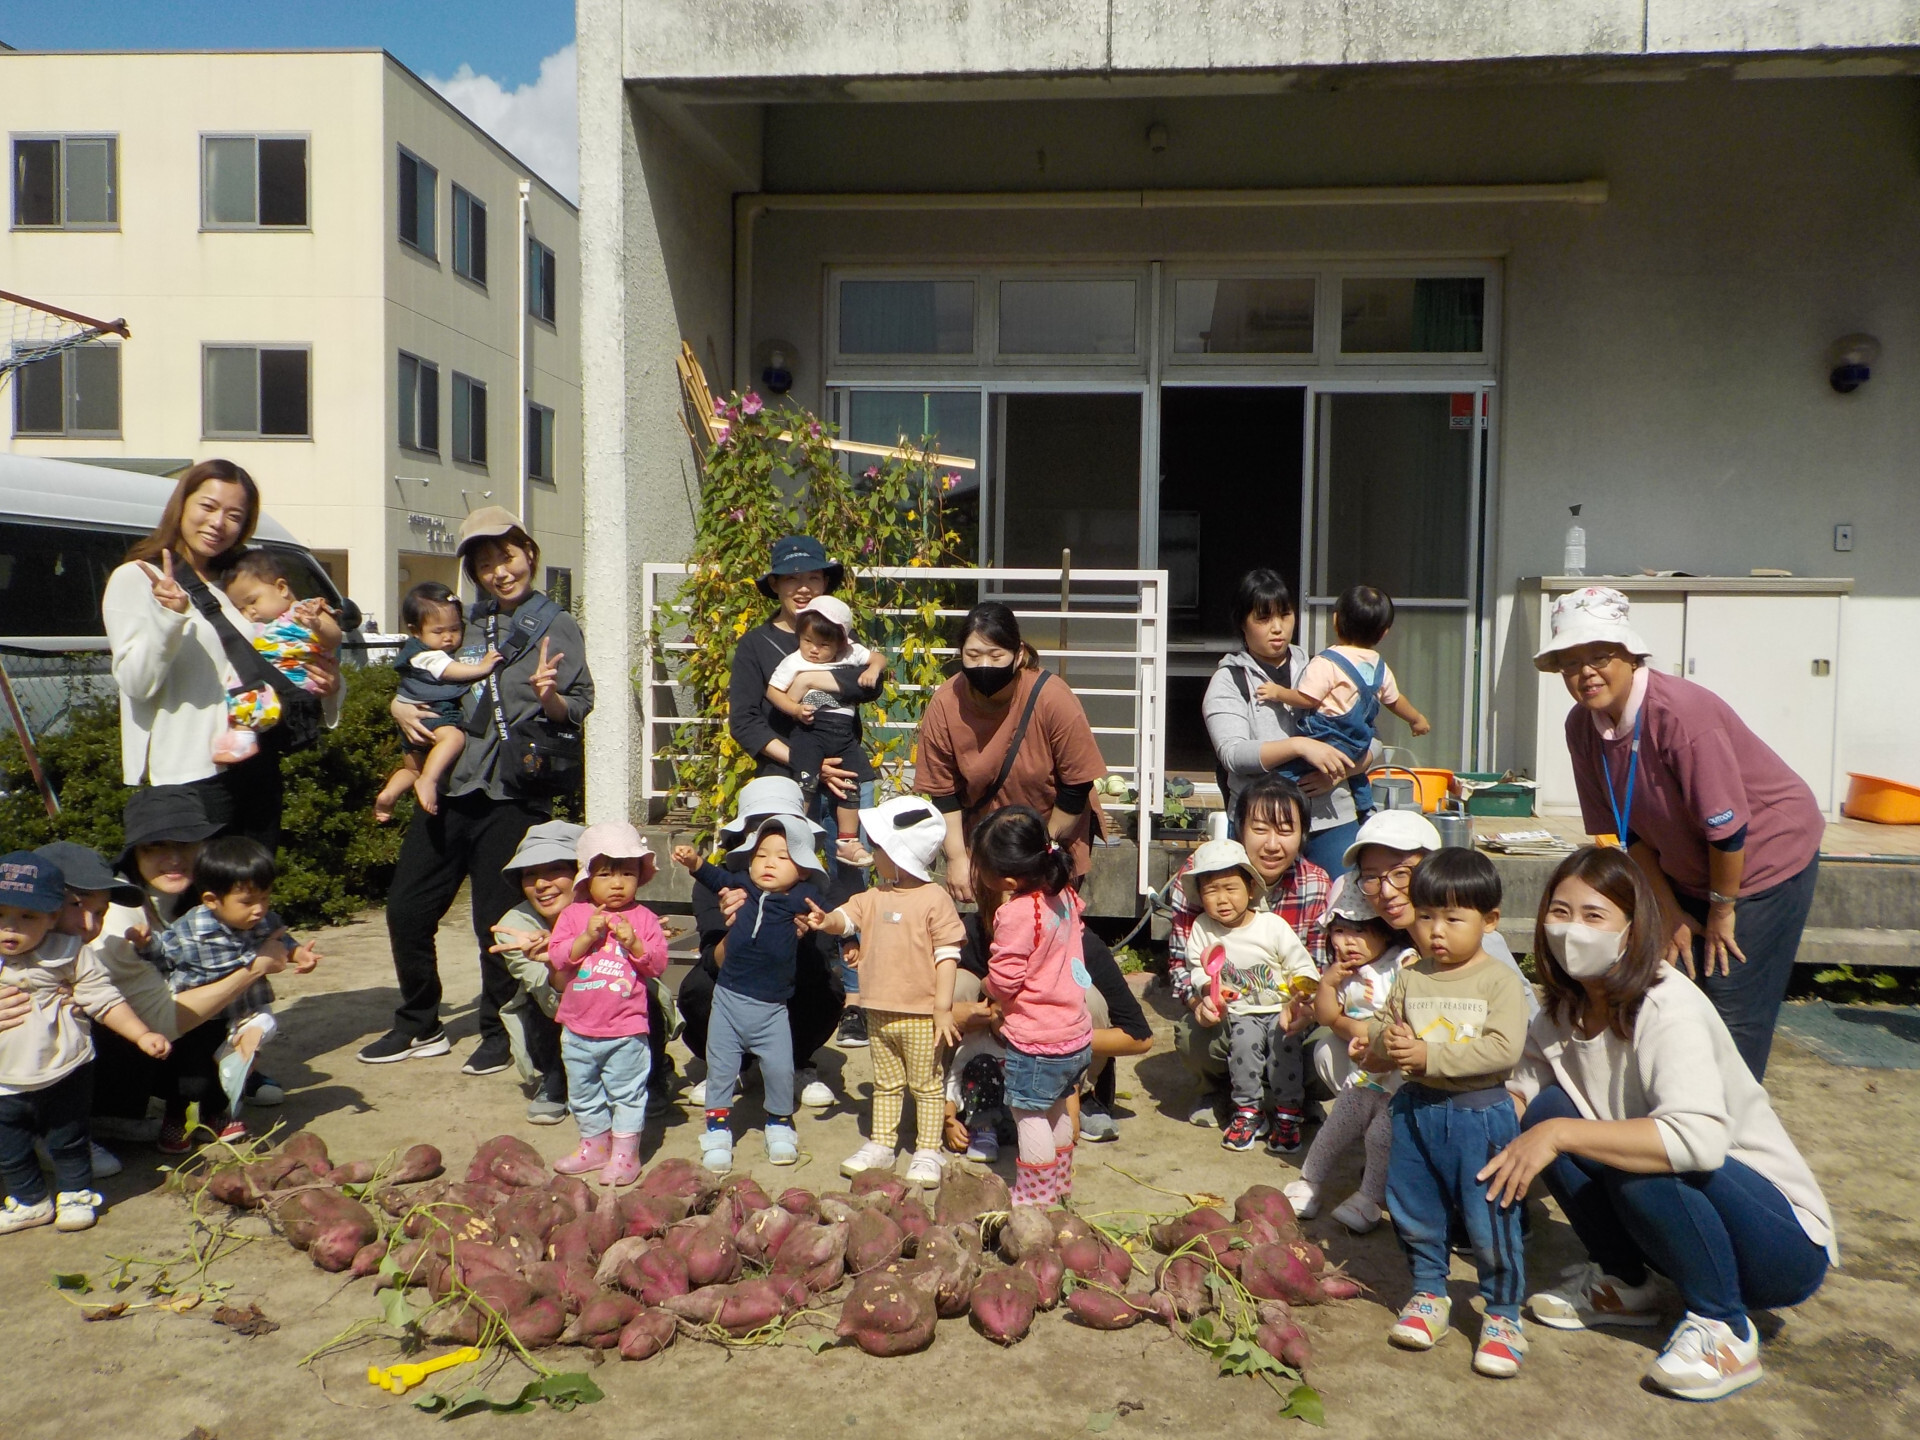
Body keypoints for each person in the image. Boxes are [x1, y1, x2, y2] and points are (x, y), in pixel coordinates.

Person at [1481, 846, 1836, 1403]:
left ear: (1631, 928)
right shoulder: (1558, 1014)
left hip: (1779, 1246)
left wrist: (1558, 1135)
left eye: (1594, 916)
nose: (1573, 930)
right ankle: (1626, 1284)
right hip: (1689, 1210)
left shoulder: (1668, 1007)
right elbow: (1520, 1102)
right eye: (1560, 912)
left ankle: (1725, 1328)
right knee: (1552, 1112)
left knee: (1631, 1153)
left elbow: (1694, 1140)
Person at [1538, 586, 1824, 1081]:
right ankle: (1671, 1119)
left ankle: (1731, 1142)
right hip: (1681, 869)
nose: (1585, 672)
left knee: (1730, 1006)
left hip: (1760, 863)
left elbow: (1728, 832)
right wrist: (1667, 908)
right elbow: (1621, 834)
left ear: (1631, 655)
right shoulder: (1581, 726)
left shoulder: (1680, 713)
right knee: (1670, 991)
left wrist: (1721, 910)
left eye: (1600, 656)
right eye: (1569, 662)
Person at [359, 507, 593, 1078]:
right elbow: (422, 677)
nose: (499, 572)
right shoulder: (462, 620)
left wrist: (550, 697)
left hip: (512, 793)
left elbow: (580, 705)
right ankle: (420, 1022)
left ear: (529, 554)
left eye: (507, 557)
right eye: (485, 564)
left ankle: (496, 1027)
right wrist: (398, 703)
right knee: (407, 908)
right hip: (450, 784)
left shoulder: (555, 623)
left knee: (495, 919)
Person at [102, 459, 342, 850]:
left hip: (255, 763)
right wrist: (169, 617)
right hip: (189, 773)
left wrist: (329, 687)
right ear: (182, 505)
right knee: (199, 900)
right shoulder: (138, 578)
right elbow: (135, 683)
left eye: (234, 515)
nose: (218, 523)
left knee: (249, 900)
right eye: (208, 507)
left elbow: (280, 653)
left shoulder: (238, 585)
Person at [1362, 848, 1530, 1380]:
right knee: (1414, 1206)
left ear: (1490, 921)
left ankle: (1502, 1315)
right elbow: (1379, 1031)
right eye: (1427, 915)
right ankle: (1429, 1293)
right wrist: (1386, 1041)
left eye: (1454, 919)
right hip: (1416, 1113)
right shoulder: (1413, 976)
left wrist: (1431, 1055)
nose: (1437, 930)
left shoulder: (1498, 981)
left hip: (1481, 1117)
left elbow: (1504, 1049)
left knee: (1490, 1218)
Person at [23, 841, 285, 1176]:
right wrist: (257, 966)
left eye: (100, 912)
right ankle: (45, 1135)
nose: (91, 925)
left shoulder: (95, 946)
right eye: (75, 905)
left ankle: (87, 1125)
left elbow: (131, 1008)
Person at [727, 535, 881, 1047]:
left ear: (826, 585)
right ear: (774, 585)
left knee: (850, 883)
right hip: (785, 784)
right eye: (790, 578)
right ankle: (788, 992)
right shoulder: (755, 646)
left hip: (849, 774)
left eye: (812, 578)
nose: (801, 587)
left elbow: (870, 683)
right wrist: (810, 762)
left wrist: (814, 677)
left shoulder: (835, 632)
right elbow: (747, 724)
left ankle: (855, 999)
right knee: (784, 886)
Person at [0, 853, 172, 1236]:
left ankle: (75, 1194)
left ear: (49, 917)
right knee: (9, 1150)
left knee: (69, 1138)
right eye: (1, 915)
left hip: (64, 1068)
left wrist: (142, 1033)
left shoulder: (69, 954)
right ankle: (29, 1201)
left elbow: (104, 999)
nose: (10, 928)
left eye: (28, 917)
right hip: (4, 1080)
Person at [802, 796, 965, 1187]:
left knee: (926, 1085)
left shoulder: (935, 900)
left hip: (922, 1014)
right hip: (879, 1011)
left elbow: (948, 956)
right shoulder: (874, 897)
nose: (872, 852)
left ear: (898, 853)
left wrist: (942, 1007)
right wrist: (827, 921)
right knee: (888, 1083)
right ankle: (881, 1143)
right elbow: (847, 918)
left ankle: (928, 1148)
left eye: (878, 846)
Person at [916, 602, 1108, 903]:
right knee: (996, 933)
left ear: (1018, 654)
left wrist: (1042, 850)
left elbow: (1077, 785)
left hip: (1053, 833)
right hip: (988, 842)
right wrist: (956, 858)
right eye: (973, 655)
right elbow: (943, 792)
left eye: (996, 655)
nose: (985, 665)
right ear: (960, 654)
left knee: (1045, 930)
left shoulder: (1052, 697)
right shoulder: (945, 703)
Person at [1171, 773, 1333, 1127]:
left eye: (1285, 830)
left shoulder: (1316, 884)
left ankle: (1290, 1098)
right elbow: (1180, 964)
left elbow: (1318, 965)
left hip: (1286, 1014)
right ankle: (1223, 1093)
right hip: (1233, 1013)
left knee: (1332, 1043)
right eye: (1260, 829)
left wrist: (1306, 1007)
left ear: (1303, 834)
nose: (1272, 844)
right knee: (1191, 1037)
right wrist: (1200, 1002)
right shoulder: (1199, 878)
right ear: (1239, 829)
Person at [676, 778, 843, 1111]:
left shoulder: (812, 890)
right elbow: (711, 959)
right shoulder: (721, 883)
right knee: (695, 988)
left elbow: (823, 957)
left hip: (784, 987)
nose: (770, 844)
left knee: (828, 988)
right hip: (732, 982)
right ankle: (727, 1067)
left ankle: (795, 1063)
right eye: (759, 829)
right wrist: (734, 927)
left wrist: (802, 934)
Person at [672, 816, 828, 1172]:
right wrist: (696, 862)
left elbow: (829, 912)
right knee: (721, 1068)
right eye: (762, 855)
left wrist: (842, 932)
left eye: (783, 857)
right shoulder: (743, 887)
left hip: (773, 1009)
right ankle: (716, 1130)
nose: (769, 862)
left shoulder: (801, 900)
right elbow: (716, 878)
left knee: (779, 1069)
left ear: (803, 870)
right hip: (727, 1001)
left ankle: (778, 1122)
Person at [149, 837, 321, 1135]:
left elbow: (283, 941)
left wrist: (299, 954)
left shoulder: (265, 921)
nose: (259, 910)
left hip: (239, 1011)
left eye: (265, 898)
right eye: (247, 902)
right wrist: (142, 945)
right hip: (197, 1016)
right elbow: (161, 959)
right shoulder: (188, 932)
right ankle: (175, 1117)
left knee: (228, 1067)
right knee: (191, 1075)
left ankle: (219, 1114)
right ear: (211, 900)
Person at [1203, 569, 1366, 873]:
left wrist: (1338, 773)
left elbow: (1372, 743)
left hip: (1330, 820)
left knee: (1341, 913)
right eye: (1263, 619)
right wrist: (1299, 746)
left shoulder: (1326, 670)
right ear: (1242, 623)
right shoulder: (1229, 681)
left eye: (1285, 615)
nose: (1277, 628)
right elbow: (1233, 754)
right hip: (1261, 830)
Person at [973, 806, 1094, 1206]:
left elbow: (1006, 980)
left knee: (1029, 1114)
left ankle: (1034, 1195)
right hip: (1074, 1032)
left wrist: (988, 987)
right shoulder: (1064, 894)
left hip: (1036, 1039)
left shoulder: (1017, 912)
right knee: (1057, 1107)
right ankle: (1058, 1184)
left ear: (1006, 879)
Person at [546, 824, 670, 1188]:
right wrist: (587, 936)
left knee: (627, 1094)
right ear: (586, 878)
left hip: (626, 1029)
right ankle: (594, 1145)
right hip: (577, 1027)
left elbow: (658, 965)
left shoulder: (644, 918)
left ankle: (625, 1154)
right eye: (605, 874)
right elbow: (558, 957)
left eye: (627, 874)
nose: (617, 884)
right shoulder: (573, 915)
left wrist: (634, 944)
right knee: (582, 1092)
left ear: (640, 878)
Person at [1287, 885, 1414, 1233]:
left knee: (1380, 1136)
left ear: (1386, 932)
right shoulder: (1344, 973)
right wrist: (1328, 985)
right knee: (1336, 1125)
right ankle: (1309, 1182)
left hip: (1402, 1081)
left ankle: (1369, 1200)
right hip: (1364, 1076)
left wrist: (1374, 1034)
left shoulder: (1402, 963)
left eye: (1359, 931)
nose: (1347, 942)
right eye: (1339, 931)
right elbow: (1328, 1017)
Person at [1180, 838, 1318, 1155]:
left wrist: (1302, 991)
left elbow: (1300, 965)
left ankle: (1288, 1114)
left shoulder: (1272, 926)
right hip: (1240, 1012)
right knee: (1242, 1053)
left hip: (1281, 1010)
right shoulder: (1203, 927)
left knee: (1286, 1053)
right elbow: (1198, 968)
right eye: (1211, 891)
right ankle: (1247, 1112)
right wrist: (1207, 992)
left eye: (1230, 888)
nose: (1222, 899)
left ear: (1251, 889)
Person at [1258, 584, 1429, 816]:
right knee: (1357, 775)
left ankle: (1281, 802)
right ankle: (1365, 807)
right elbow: (1394, 700)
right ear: (1384, 632)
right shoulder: (1380, 667)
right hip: (1357, 743)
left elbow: (1306, 698)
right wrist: (1416, 719)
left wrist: (1278, 692)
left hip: (1327, 739)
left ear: (1336, 620)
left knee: (1284, 773)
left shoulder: (1327, 662)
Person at [766, 595, 887, 866]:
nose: (813, 650)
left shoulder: (851, 653)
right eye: (807, 641)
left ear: (841, 643)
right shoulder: (794, 661)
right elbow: (773, 691)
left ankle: (847, 841)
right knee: (805, 781)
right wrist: (795, 710)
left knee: (852, 782)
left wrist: (874, 669)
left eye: (823, 645)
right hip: (810, 731)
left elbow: (878, 658)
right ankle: (794, 832)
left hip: (844, 734)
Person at [375, 582, 504, 822]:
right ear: (415, 631)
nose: (448, 637)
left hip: (411, 723)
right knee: (454, 738)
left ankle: (389, 794)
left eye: (455, 629)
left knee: (412, 769)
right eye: (438, 631)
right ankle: (429, 780)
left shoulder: (423, 648)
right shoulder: (426, 655)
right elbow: (449, 671)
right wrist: (482, 667)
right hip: (433, 714)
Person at [211, 549, 344, 766]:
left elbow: (334, 638)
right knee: (242, 686)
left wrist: (317, 625)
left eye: (252, 601)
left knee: (252, 691)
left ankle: (244, 736)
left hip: (299, 676)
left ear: (281, 588)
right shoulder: (262, 624)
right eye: (241, 608)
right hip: (273, 678)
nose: (249, 612)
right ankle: (242, 733)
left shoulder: (308, 609)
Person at [488, 820, 583, 1124]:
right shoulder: (513, 927)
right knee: (537, 1000)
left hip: (618, 1011)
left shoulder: (609, 907)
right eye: (530, 874)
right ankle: (555, 1078)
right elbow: (552, 1000)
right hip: (559, 1009)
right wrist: (556, 958)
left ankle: (653, 1072)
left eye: (555, 869)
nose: (542, 885)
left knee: (637, 990)